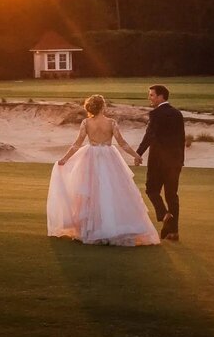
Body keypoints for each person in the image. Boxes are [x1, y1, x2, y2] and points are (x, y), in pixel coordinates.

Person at [46, 94, 160, 246]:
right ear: (103, 106)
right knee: (111, 191)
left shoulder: (86, 122)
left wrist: (65, 159)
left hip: (91, 157)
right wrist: (137, 155)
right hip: (109, 157)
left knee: (91, 193)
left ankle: (91, 230)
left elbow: (76, 144)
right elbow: (123, 143)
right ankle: (111, 227)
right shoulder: (111, 123)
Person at [136, 84, 186, 241]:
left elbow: (150, 135)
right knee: (172, 195)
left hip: (158, 161)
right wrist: (180, 160)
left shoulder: (156, 114)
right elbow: (181, 139)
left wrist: (138, 153)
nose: (149, 98)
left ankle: (164, 215)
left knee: (151, 189)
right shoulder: (177, 113)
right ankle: (173, 232)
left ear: (161, 96)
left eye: (151, 95)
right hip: (175, 161)